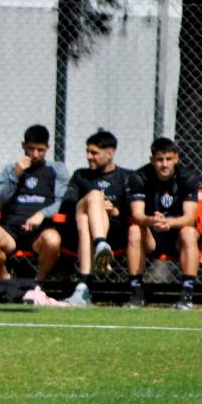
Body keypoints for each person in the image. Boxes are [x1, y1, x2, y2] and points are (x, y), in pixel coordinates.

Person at [0, 124, 69, 283]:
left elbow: (63, 201)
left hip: (40, 230)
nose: (35, 154)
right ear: (23, 146)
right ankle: (6, 282)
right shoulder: (10, 169)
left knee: (53, 240)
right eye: (31, 149)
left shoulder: (57, 169)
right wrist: (16, 174)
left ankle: (37, 284)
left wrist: (42, 214)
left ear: (48, 148)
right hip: (10, 229)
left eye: (40, 150)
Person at [125, 137, 200, 311]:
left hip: (177, 236)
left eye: (168, 159)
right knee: (134, 230)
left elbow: (190, 217)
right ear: (152, 160)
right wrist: (152, 220)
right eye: (159, 160)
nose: (164, 164)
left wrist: (170, 222)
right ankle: (136, 293)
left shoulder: (187, 177)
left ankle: (187, 295)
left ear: (176, 159)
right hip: (152, 236)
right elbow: (137, 214)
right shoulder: (139, 177)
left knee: (189, 232)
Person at [61, 130, 131, 307]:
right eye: (87, 152)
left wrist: (114, 210)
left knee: (87, 218)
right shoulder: (80, 175)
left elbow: (134, 209)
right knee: (93, 196)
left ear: (110, 153)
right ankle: (100, 244)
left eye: (94, 153)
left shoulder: (126, 177)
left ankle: (83, 287)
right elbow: (68, 203)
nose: (88, 156)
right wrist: (96, 203)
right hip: (77, 232)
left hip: (115, 234)